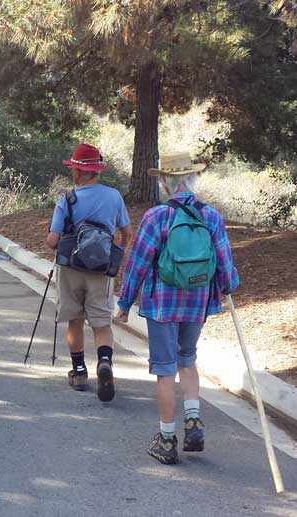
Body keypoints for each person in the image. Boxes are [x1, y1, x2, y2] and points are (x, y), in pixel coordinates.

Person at [116, 152, 239, 465]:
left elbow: (138, 263)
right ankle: (194, 421)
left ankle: (167, 439)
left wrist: (124, 302)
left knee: (164, 368)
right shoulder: (211, 216)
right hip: (198, 302)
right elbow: (225, 262)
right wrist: (227, 286)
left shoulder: (157, 217)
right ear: (193, 179)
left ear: (164, 182)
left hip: (162, 304)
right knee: (188, 359)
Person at [46, 143, 134, 400]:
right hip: (101, 270)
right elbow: (127, 233)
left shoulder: (67, 200)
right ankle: (104, 363)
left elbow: (53, 240)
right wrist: (115, 254)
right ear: (96, 171)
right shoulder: (114, 196)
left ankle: (79, 371)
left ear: (76, 171)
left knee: (74, 319)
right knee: (101, 322)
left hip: (71, 269)